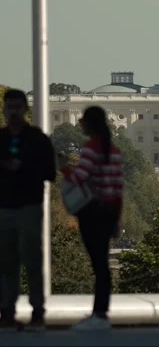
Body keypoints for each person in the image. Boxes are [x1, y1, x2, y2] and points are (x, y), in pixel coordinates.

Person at [59, 106, 123, 332]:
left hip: (92, 212)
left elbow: (79, 178)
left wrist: (65, 169)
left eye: (83, 121)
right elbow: (118, 188)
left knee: (98, 265)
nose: (80, 124)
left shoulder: (90, 149)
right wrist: (116, 217)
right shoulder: (114, 151)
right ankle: (101, 311)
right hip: (108, 212)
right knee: (102, 264)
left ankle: (99, 313)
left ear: (90, 124)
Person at [0, 88, 56, 332]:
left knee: (32, 260)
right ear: (5, 109)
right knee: (6, 263)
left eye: (17, 107)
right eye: (9, 107)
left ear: (25, 109)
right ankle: (7, 313)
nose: (13, 112)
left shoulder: (38, 139)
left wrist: (23, 169)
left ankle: (37, 312)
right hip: (4, 207)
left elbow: (50, 173)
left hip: (29, 207)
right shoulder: (0, 139)